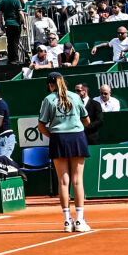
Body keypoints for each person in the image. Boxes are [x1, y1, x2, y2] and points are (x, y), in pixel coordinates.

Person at [37, 72, 92, 234]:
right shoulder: (75, 97)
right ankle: (80, 220)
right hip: (77, 137)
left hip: (58, 138)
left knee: (63, 181)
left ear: (50, 85)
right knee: (77, 180)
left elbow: (41, 125)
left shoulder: (48, 99)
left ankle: (67, 222)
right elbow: (86, 120)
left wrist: (54, 136)